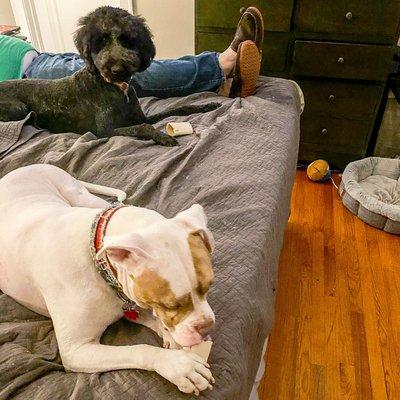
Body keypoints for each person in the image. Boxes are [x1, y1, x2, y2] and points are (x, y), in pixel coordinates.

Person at [0, 7, 263, 98]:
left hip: (39, 58)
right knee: (131, 76)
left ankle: (220, 74)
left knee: (132, 62)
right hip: (23, 81)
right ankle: (223, 66)